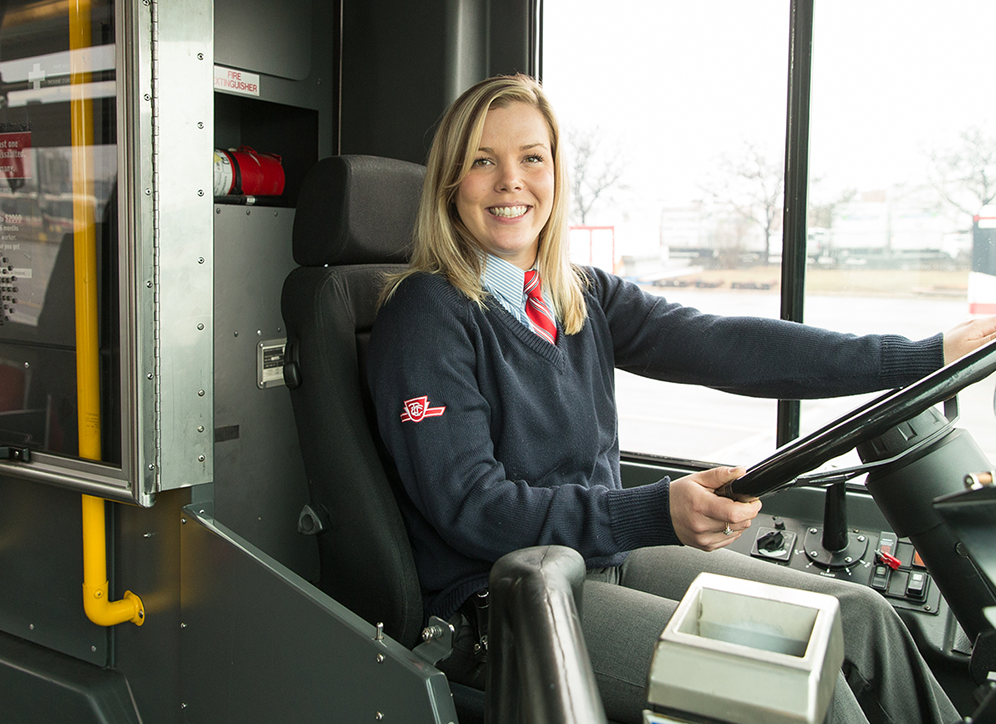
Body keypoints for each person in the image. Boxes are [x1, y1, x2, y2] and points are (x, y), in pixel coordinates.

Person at [366, 73, 996, 724]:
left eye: (532, 157)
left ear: (555, 174)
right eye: (481, 162)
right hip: (511, 596)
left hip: (605, 562)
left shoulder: (578, 295)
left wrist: (920, 356)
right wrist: (650, 511)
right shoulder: (427, 315)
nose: (510, 181)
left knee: (861, 618)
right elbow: (473, 506)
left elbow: (729, 344)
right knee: (797, 685)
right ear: (449, 183)